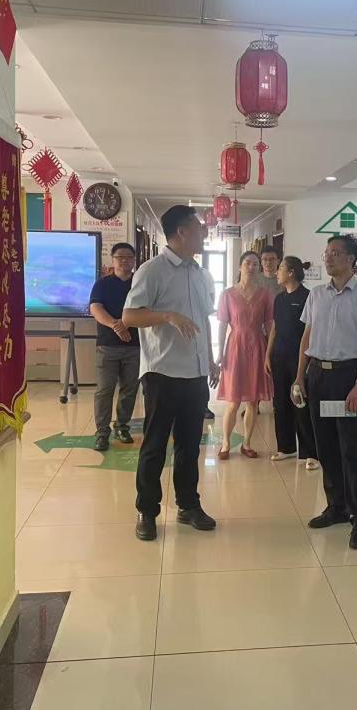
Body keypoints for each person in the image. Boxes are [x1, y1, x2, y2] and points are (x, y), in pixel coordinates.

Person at [123, 205, 220, 542]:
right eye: (199, 227)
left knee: (190, 446)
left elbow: (204, 320)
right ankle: (147, 511)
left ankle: (188, 505)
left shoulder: (200, 273)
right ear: (182, 231)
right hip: (162, 373)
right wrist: (167, 316)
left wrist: (211, 360)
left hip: (195, 374)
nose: (204, 233)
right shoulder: (152, 271)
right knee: (154, 446)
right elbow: (130, 316)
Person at [295, 235, 357, 550]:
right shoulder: (317, 295)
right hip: (319, 376)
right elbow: (306, 338)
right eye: (327, 253)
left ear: (351, 259)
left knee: (350, 448)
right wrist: (299, 377)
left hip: (346, 379)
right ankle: (336, 506)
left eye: (335, 253)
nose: (328, 258)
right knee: (326, 445)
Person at [216, 251, 274, 459]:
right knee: (233, 400)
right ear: (240, 266)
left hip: (258, 346)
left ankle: (247, 443)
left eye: (255, 264)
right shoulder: (228, 294)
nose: (251, 267)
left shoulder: (265, 295)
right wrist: (220, 352)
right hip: (235, 347)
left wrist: (269, 353)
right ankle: (225, 443)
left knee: (253, 401)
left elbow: (270, 326)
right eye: (248, 263)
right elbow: (222, 325)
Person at [265, 256, 319, 469]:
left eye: (280, 268)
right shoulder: (279, 299)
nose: (276, 272)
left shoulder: (307, 296)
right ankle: (286, 447)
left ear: (291, 273)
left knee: (300, 403)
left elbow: (311, 331)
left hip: (299, 358)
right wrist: (267, 354)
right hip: (279, 356)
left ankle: (310, 452)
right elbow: (274, 328)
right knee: (280, 403)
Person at [88, 243, 141, 452]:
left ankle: (122, 427)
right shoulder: (103, 284)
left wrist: (125, 324)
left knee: (129, 390)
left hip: (135, 346)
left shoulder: (140, 283)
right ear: (113, 259)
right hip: (107, 346)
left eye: (129, 257)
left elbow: (147, 309)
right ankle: (102, 433)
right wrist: (116, 325)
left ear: (134, 260)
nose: (125, 260)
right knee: (104, 390)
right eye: (120, 257)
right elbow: (95, 308)